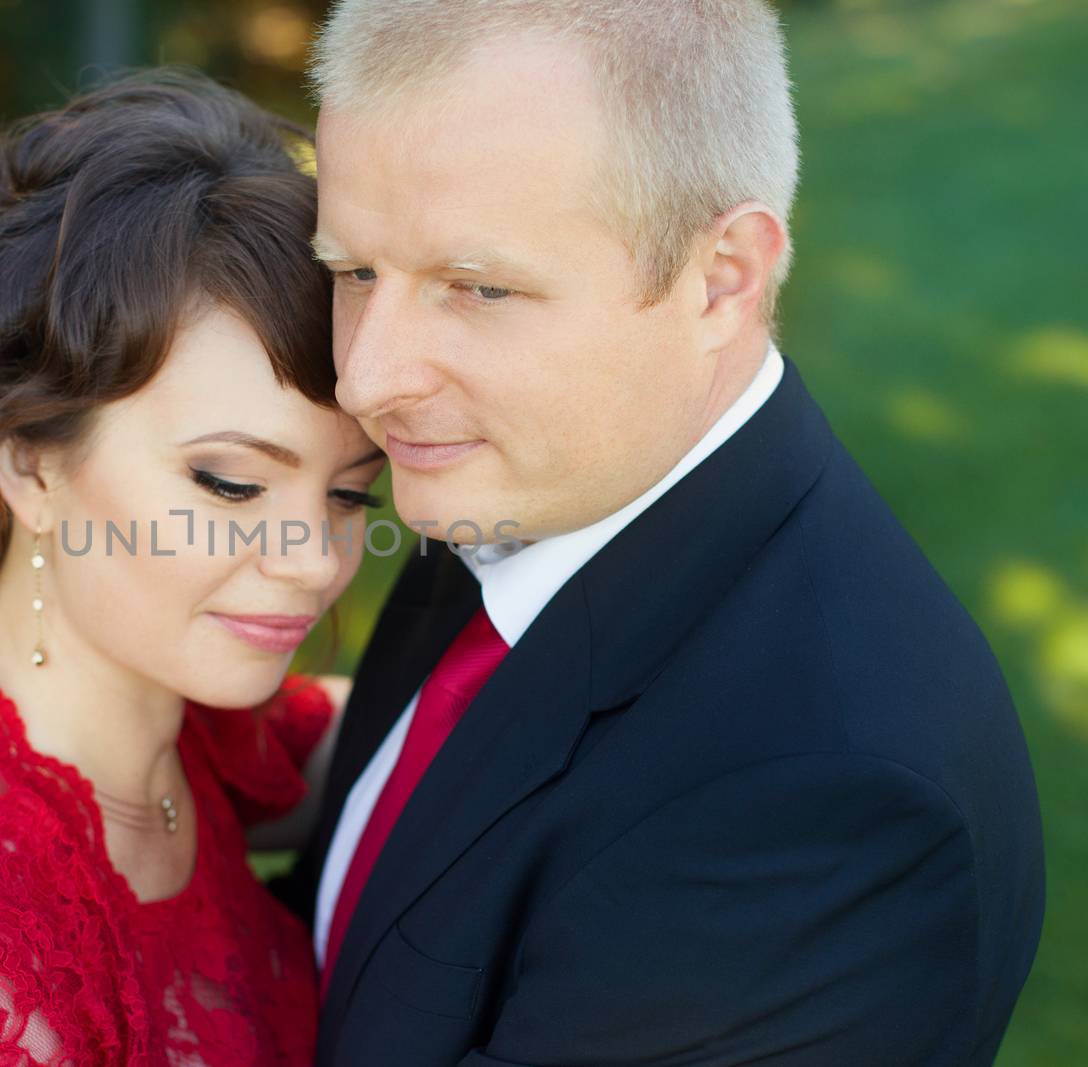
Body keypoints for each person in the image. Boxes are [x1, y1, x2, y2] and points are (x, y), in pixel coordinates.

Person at [272, 2, 1048, 1064]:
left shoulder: (815, 810)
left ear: (722, 276)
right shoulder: (539, 480)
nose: (367, 377)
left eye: (478, 286)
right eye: (355, 271)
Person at [0, 71, 386, 1066]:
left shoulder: (191, 729)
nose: (313, 560)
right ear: (31, 465)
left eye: (351, 493)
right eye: (229, 483)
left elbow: (404, 735)